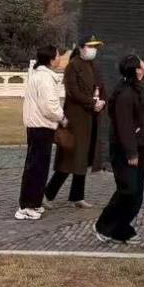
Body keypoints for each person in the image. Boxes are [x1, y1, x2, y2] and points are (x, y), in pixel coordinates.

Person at [94, 53, 144, 244]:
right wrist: (131, 152)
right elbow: (124, 125)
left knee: (136, 193)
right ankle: (105, 225)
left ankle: (119, 228)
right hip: (125, 150)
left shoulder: (137, 89)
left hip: (137, 147)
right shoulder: (124, 94)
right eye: (141, 64)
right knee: (128, 191)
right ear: (136, 70)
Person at [45, 36, 107, 209]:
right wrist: (92, 103)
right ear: (81, 48)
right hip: (76, 118)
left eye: (95, 47)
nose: (93, 50)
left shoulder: (94, 66)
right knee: (70, 158)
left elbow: (101, 88)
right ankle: (48, 193)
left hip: (91, 118)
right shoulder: (73, 66)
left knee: (83, 158)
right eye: (90, 46)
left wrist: (101, 102)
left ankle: (77, 196)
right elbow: (73, 92)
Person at [16, 44, 69, 220]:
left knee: (36, 167)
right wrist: (62, 117)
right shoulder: (45, 79)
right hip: (41, 127)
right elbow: (50, 107)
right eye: (58, 56)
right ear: (51, 60)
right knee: (36, 168)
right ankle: (27, 206)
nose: (60, 58)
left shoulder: (39, 75)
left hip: (37, 126)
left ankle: (34, 202)